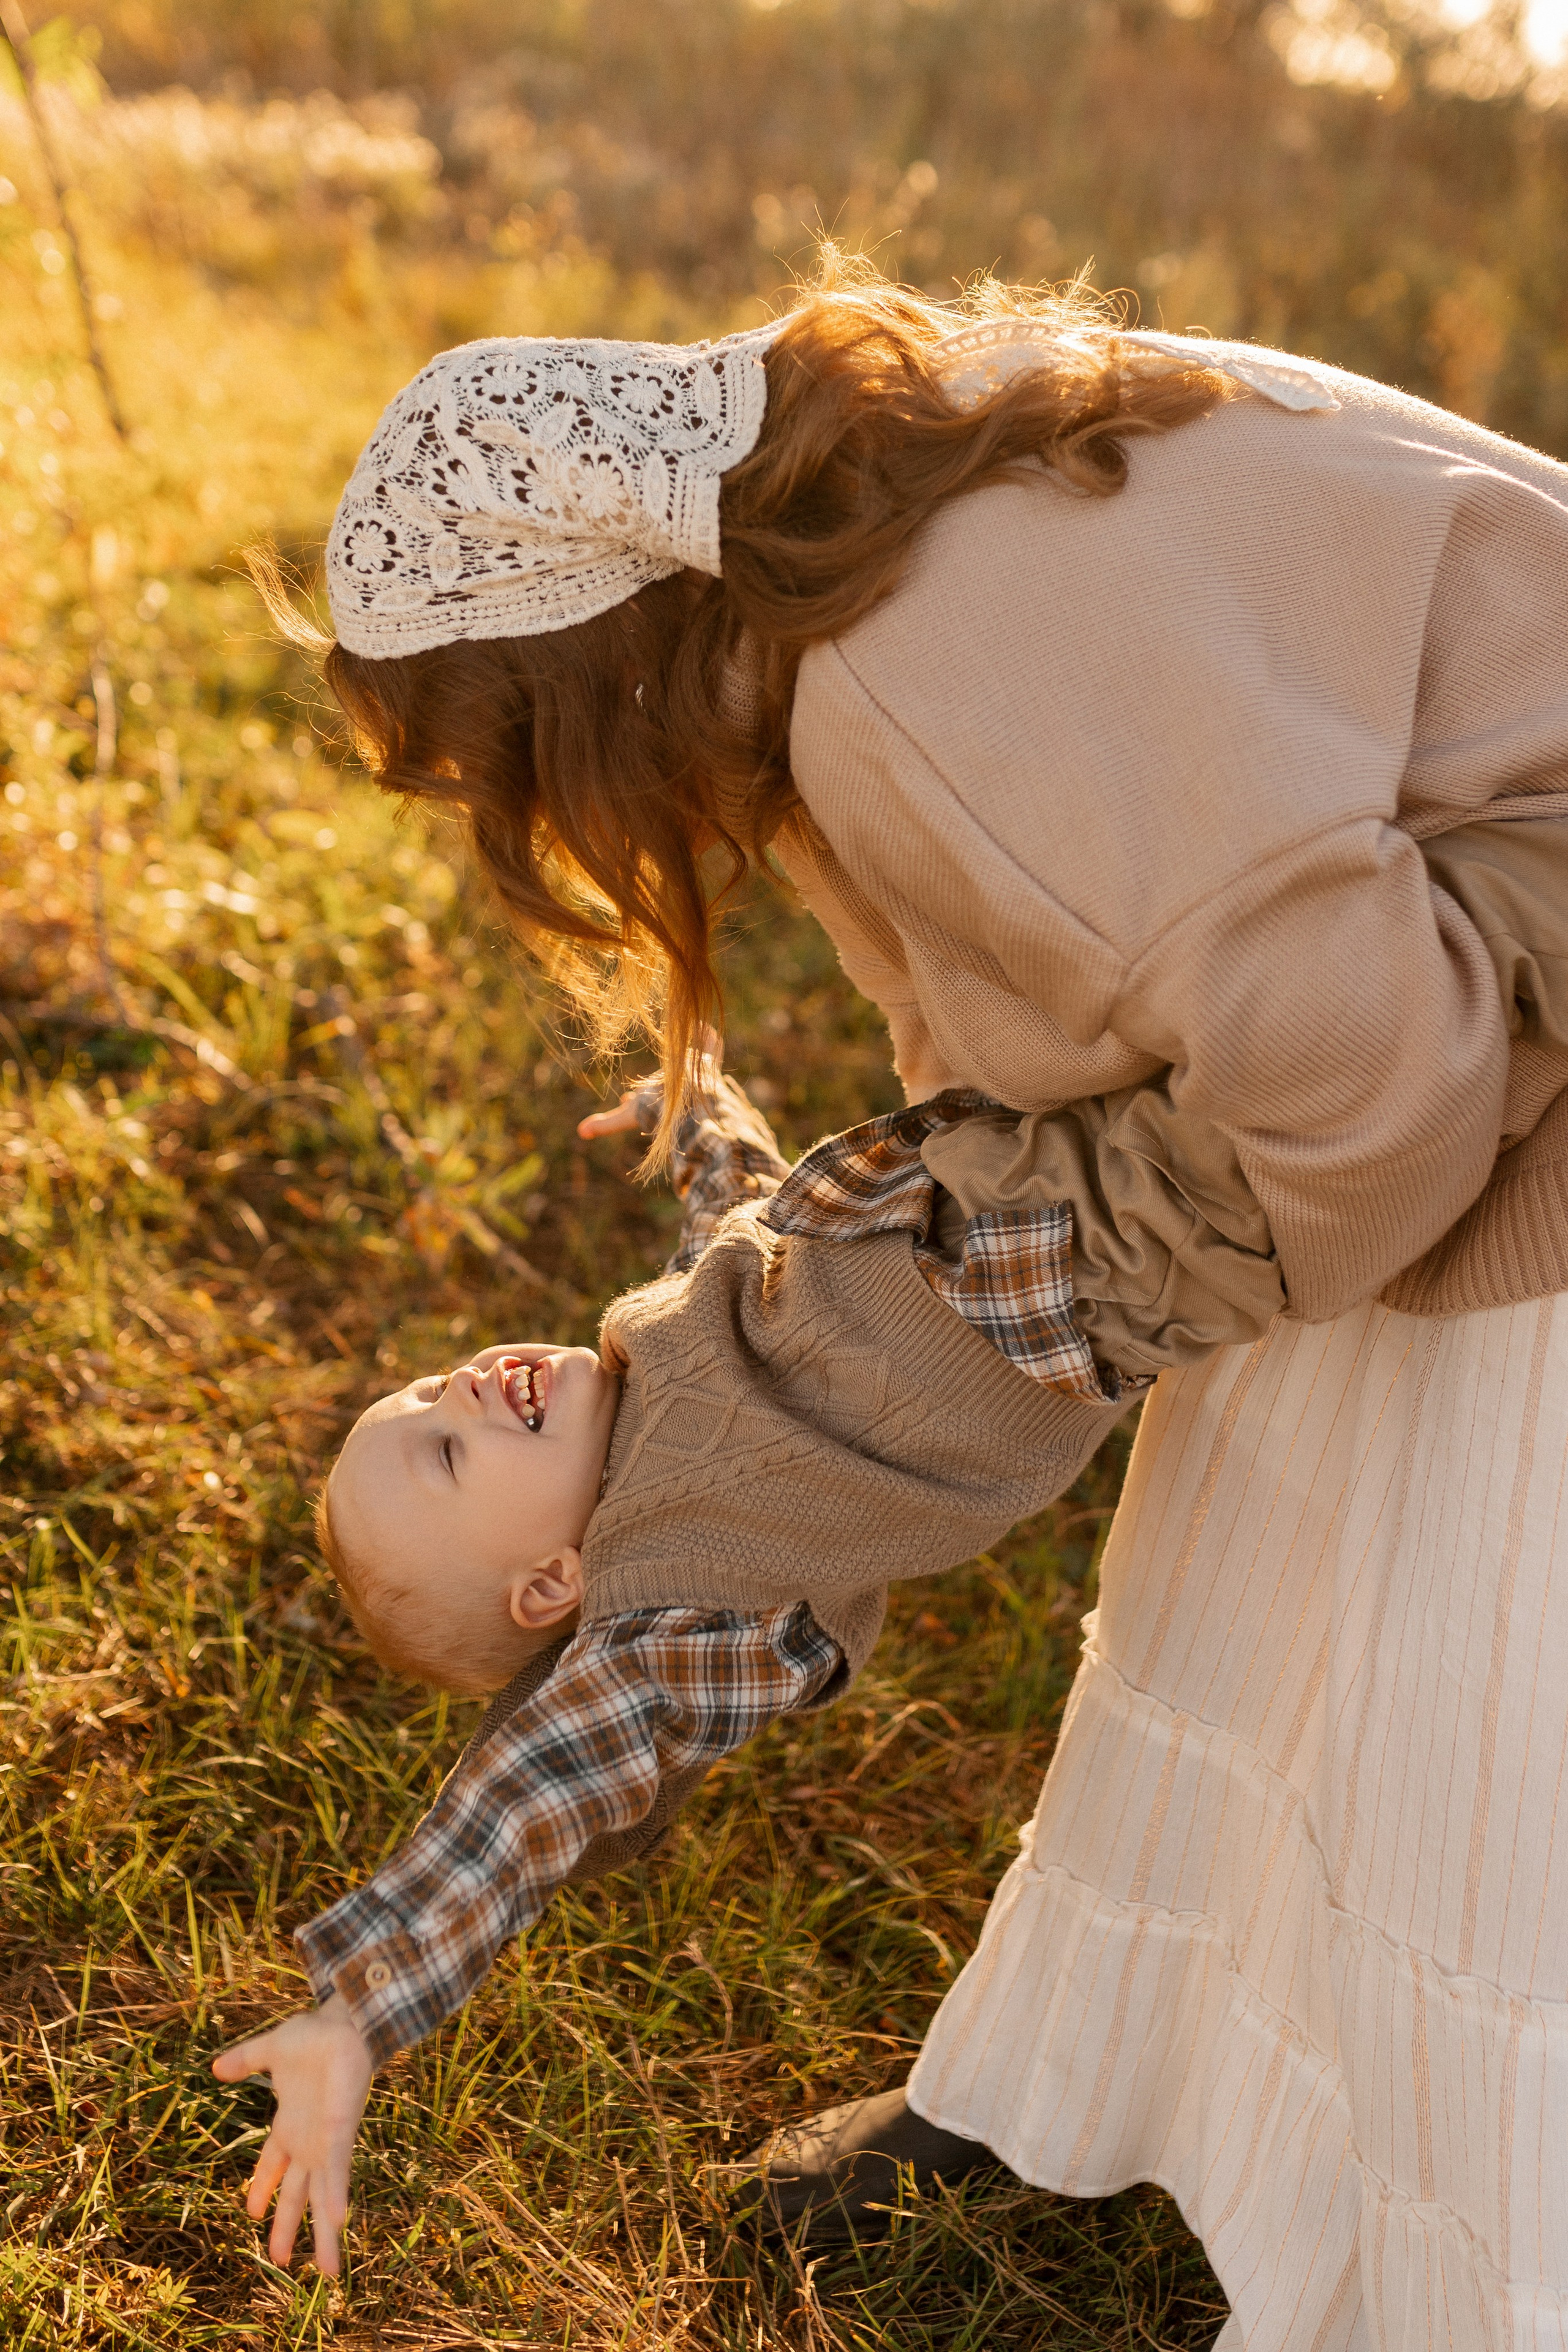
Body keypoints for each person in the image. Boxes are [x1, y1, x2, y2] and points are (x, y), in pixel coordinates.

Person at [239, 259, 1568, 2346]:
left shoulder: (927, 698)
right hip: (1149, 1227)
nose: (453, 1385)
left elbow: (1358, 1085)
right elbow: (522, 1806)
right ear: (553, 1589)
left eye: (416, 1398)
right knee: (1308, 1619)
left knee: (1461, 1686)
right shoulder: (683, 1602)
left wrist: (716, 1115)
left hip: (1371, 1105)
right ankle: (1192, 2076)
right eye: (439, 1449)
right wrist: (356, 2014)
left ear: (581, 679)